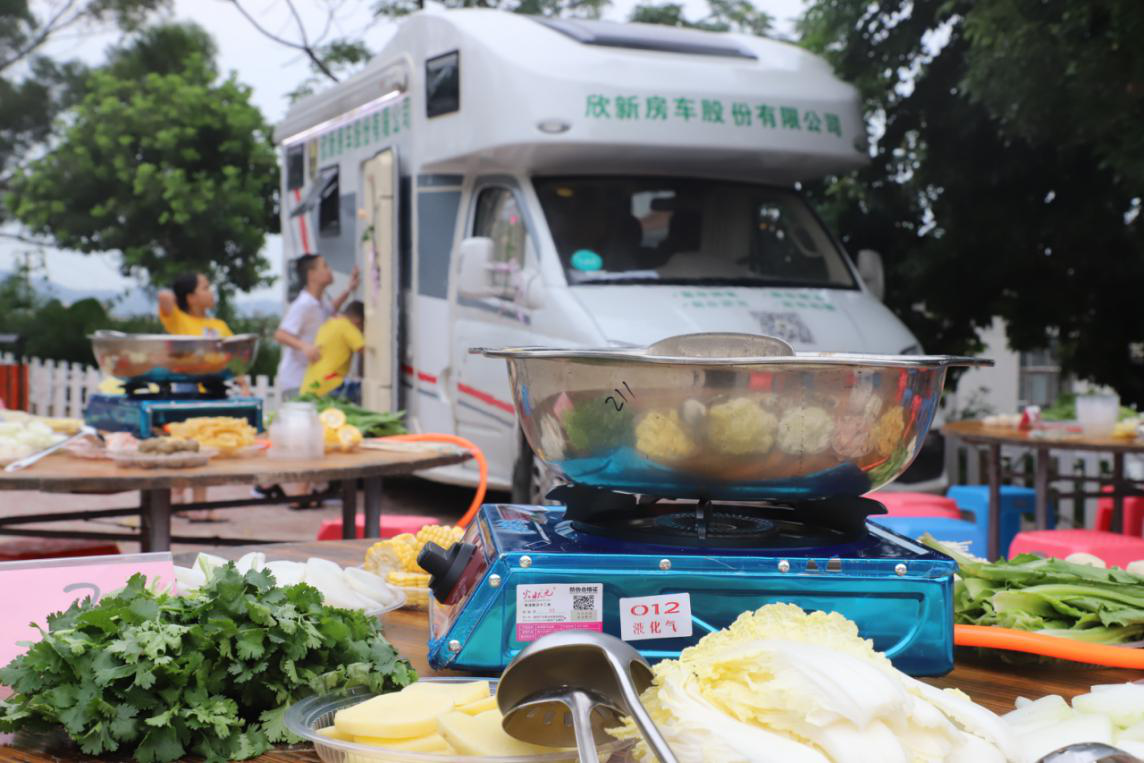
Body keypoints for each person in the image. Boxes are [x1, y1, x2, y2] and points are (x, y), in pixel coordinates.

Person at [157, 272, 235, 523]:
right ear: (191, 298)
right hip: (184, 391)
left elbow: (232, 356)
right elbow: (165, 299)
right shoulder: (179, 320)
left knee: (204, 446)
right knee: (182, 444)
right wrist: (173, 294)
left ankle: (199, 504)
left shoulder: (219, 326)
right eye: (205, 287)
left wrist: (242, 380)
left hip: (211, 391)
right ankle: (179, 500)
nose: (211, 292)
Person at [275, 256, 359, 400]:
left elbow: (331, 308)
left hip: (308, 380)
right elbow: (280, 334)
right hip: (296, 380)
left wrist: (349, 290)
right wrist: (304, 346)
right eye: (325, 266)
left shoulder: (318, 302)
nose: (330, 270)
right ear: (311, 274)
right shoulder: (304, 304)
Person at [302, 301, 365, 403]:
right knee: (364, 393)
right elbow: (364, 350)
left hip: (311, 385)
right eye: (363, 328)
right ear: (358, 321)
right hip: (330, 384)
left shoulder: (328, 324)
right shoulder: (347, 326)